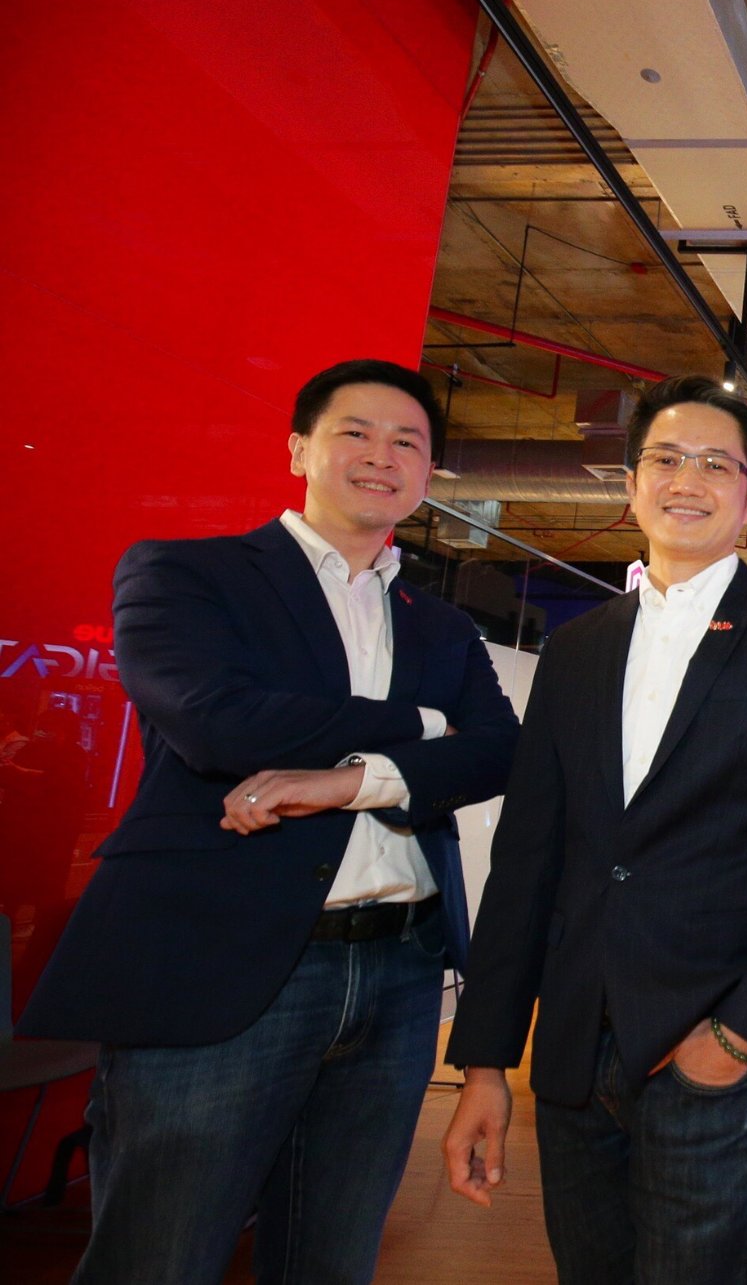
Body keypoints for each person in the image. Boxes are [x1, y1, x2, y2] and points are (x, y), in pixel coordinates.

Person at [21, 359, 519, 1284]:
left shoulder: (441, 626)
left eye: (407, 442)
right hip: (221, 959)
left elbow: (496, 752)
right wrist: (421, 727)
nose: (382, 456)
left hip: (400, 970)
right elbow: (216, 721)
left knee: (333, 1257)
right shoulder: (189, 574)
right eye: (355, 432)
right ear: (298, 448)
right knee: (159, 1255)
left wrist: (346, 781)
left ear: (428, 473)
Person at [440, 376, 747, 1285]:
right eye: (667, 458)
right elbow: (527, 859)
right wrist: (485, 1060)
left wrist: (742, 1033)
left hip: (712, 1048)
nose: (688, 479)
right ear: (632, 484)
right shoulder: (578, 648)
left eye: (717, 463)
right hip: (571, 1053)